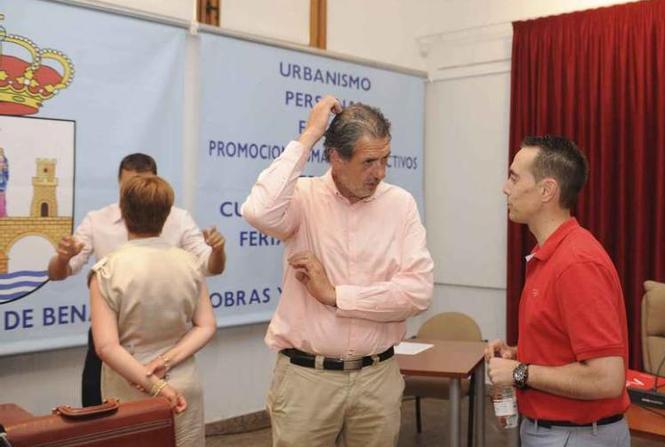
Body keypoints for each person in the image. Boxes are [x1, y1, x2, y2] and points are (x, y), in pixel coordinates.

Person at [242, 95, 433, 447]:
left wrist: (335, 295)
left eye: (386, 159)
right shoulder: (302, 197)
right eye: (369, 162)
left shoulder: (400, 204)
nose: (380, 172)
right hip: (307, 380)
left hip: (378, 378)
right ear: (335, 158)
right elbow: (258, 211)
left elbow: (417, 292)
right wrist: (310, 133)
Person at [47, 153, 226, 407]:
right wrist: (63, 258)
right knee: (99, 415)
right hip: (110, 334)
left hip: (168, 338)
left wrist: (218, 252)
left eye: (146, 185)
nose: (140, 192)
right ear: (119, 185)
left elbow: (208, 267)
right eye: (131, 186)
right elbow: (58, 273)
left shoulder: (180, 220)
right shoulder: (98, 222)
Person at [485, 136, 630, 447]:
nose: (505, 188)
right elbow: (564, 350)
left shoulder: (576, 264)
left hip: (575, 436)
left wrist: (520, 372)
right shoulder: (551, 255)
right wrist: (519, 354)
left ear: (547, 190)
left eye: (514, 177)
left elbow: (607, 378)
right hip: (560, 433)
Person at [90, 175, 215, 447]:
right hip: (183, 382)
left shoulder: (107, 270)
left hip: (129, 389)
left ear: (123, 211)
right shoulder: (190, 264)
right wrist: (166, 363)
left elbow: (106, 347)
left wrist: (154, 385)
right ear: (167, 213)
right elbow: (206, 326)